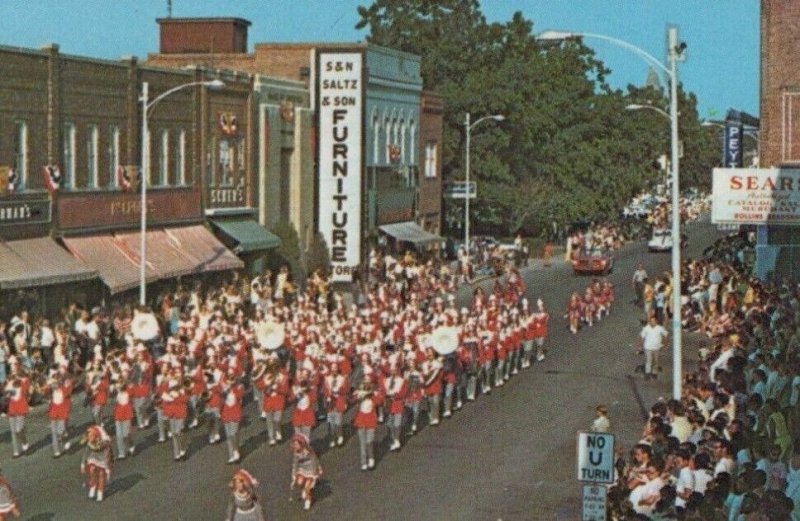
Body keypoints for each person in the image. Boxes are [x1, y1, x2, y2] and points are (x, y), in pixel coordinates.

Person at [290, 433, 322, 511]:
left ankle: (308, 500)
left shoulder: (309, 452)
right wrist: (294, 474)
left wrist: (316, 472)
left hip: (311, 470)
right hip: (302, 470)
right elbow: (295, 464)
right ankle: (303, 489)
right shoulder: (296, 453)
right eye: (295, 444)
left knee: (308, 486)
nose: (295, 446)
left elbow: (315, 461)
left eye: (297, 444)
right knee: (299, 482)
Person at [80, 425, 113, 502]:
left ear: (96, 436)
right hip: (94, 455)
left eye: (91, 436)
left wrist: (108, 468)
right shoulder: (89, 441)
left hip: (103, 455)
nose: (90, 438)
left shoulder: (104, 443)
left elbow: (108, 454)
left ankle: (100, 492)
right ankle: (93, 485)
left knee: (101, 473)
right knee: (92, 469)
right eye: (89, 436)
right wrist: (82, 464)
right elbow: (86, 453)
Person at [639, 315, 667, 380]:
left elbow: (666, 335)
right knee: (649, 360)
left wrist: (665, 345)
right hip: (648, 347)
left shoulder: (660, 328)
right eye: (651, 321)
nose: (652, 322)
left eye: (654, 321)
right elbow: (642, 337)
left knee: (656, 361)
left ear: (656, 321)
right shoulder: (646, 328)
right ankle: (647, 373)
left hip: (656, 348)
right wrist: (641, 345)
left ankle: (654, 373)